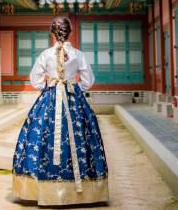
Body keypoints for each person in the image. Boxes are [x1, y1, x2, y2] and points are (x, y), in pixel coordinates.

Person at [12, 16, 109, 206]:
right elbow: (88, 80)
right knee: (83, 137)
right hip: (74, 99)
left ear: (52, 33)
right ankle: (82, 192)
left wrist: (49, 87)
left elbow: (35, 80)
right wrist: (75, 87)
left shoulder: (46, 54)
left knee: (41, 138)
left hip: (50, 98)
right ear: (70, 32)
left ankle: (45, 190)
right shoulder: (78, 54)